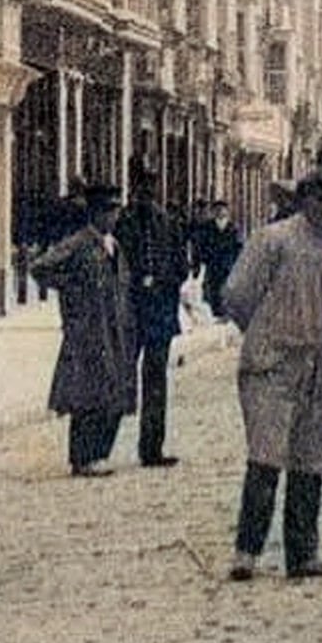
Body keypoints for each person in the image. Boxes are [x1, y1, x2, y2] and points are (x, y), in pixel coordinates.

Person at [217, 156, 322, 579]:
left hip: (320, 367)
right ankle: (246, 553)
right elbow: (236, 294)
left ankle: (303, 553)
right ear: (307, 198)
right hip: (272, 366)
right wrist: (265, 333)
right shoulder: (273, 239)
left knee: (310, 461)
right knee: (265, 458)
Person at [30, 180, 138, 476]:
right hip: (88, 330)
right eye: (109, 211)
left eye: (116, 211)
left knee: (113, 392)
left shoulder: (114, 246)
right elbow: (41, 268)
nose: (114, 217)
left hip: (114, 329)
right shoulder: (79, 243)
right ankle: (82, 458)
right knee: (87, 395)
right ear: (96, 214)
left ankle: (100, 453)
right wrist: (74, 292)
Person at [116, 161, 192, 467]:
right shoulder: (122, 223)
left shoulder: (169, 224)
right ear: (133, 187)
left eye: (151, 184)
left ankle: (152, 448)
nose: (147, 191)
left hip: (159, 312)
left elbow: (182, 267)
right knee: (120, 376)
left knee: (156, 381)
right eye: (142, 185)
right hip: (130, 310)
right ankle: (99, 447)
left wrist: (161, 280)